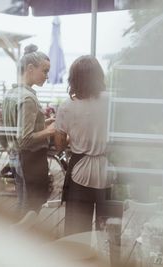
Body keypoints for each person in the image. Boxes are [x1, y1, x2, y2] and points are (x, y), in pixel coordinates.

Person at [55, 55, 117, 236]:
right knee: (107, 231)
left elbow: (59, 145)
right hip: (107, 169)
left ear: (73, 79)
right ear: (99, 76)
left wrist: (74, 137)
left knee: (77, 232)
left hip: (79, 172)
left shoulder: (67, 106)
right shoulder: (111, 101)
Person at [3, 44, 56, 220]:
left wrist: (43, 123)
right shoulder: (28, 98)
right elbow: (25, 138)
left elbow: (18, 128)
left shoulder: (12, 93)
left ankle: (15, 238)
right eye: (45, 71)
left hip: (15, 156)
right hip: (30, 159)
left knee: (22, 203)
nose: (47, 76)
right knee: (31, 207)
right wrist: (50, 131)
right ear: (31, 69)